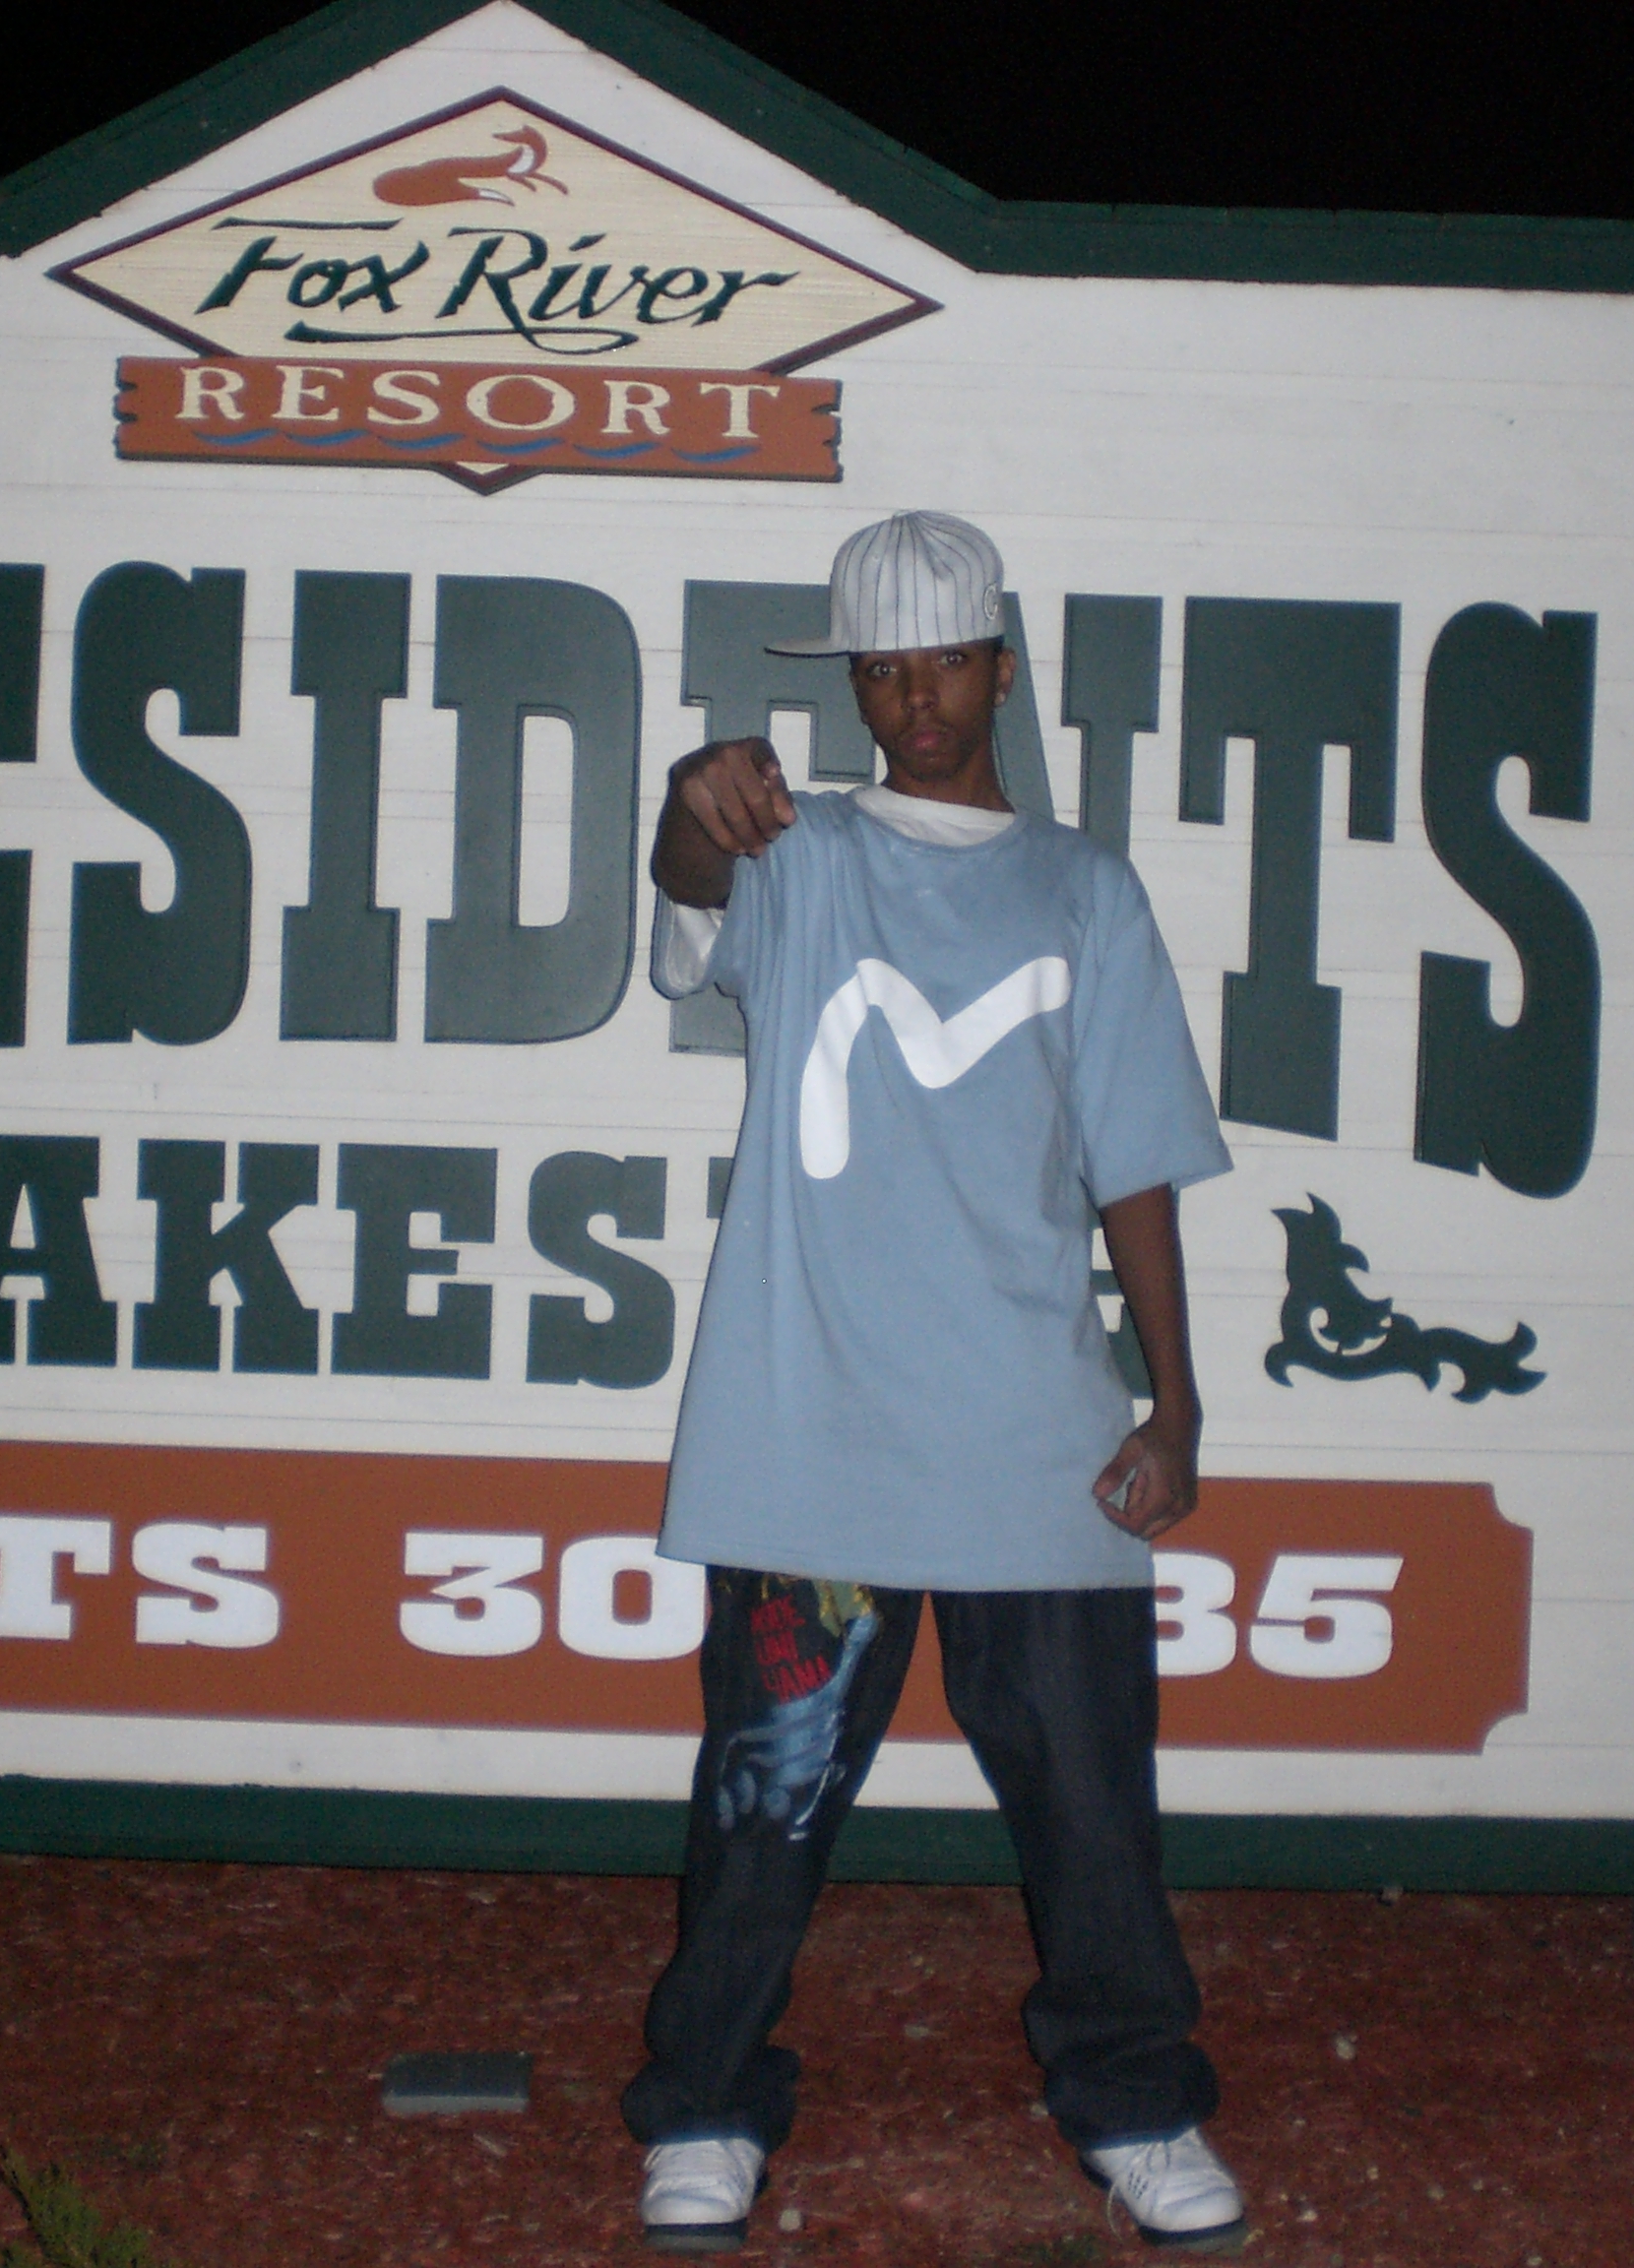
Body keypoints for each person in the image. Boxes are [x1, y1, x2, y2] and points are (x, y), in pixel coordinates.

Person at [622, 511, 1244, 2254]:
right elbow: (686, 905)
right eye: (883, 669)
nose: (913, 698)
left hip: (1030, 1433)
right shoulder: (798, 853)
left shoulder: (1084, 888)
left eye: (944, 663)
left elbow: (1135, 1160)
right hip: (809, 1430)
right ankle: (707, 2107)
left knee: (1094, 1813)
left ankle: (1137, 2105)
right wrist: (690, 802)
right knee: (764, 1803)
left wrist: (1176, 1405)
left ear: (1001, 668)